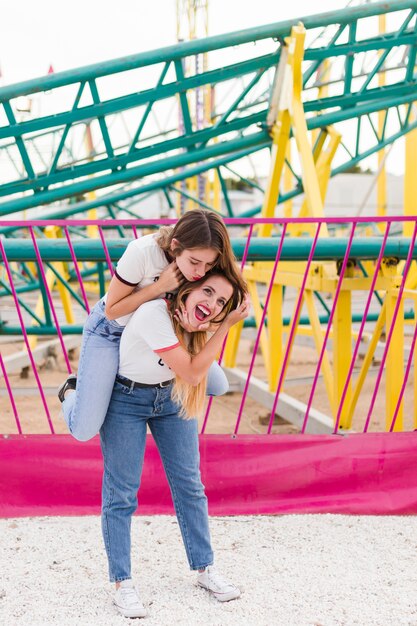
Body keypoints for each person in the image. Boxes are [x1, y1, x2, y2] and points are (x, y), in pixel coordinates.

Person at [100, 270, 249, 618]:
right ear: (188, 288)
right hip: (126, 399)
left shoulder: (194, 324)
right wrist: (224, 325)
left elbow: (196, 375)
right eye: (207, 292)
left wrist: (209, 326)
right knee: (121, 492)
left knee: (190, 486)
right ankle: (123, 583)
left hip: (171, 397)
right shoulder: (154, 313)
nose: (211, 304)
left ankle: (205, 569)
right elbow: (195, 373)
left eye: (220, 302)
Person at [58, 210, 243, 441]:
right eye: (194, 262)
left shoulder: (203, 262)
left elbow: (225, 301)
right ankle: (73, 390)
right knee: (84, 430)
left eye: (209, 264)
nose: (201, 272)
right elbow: (111, 310)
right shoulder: (142, 252)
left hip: (162, 331)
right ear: (175, 246)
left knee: (217, 384)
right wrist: (158, 287)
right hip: (112, 330)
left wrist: (195, 326)